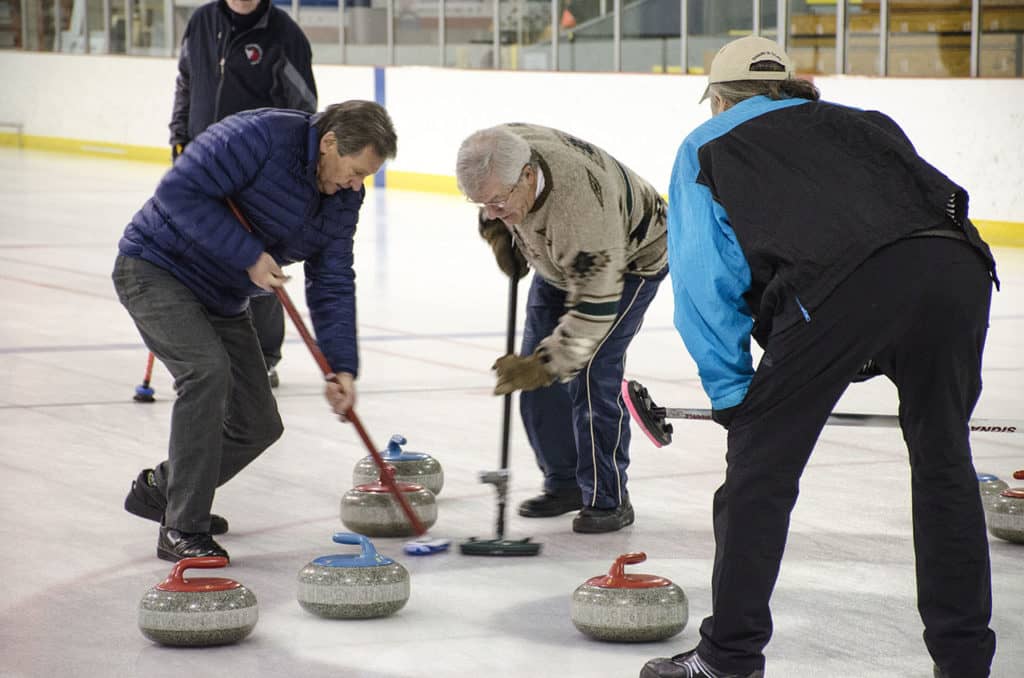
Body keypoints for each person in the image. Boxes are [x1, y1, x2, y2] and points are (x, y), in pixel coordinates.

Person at [641, 36, 998, 678]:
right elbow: (898, 222)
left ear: (718, 99)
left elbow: (704, 280)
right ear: (790, 88)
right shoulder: (861, 123)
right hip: (957, 268)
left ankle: (728, 657)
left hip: (842, 286)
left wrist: (732, 398)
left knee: (760, 475)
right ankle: (966, 662)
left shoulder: (708, 144)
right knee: (945, 467)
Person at [115, 100, 397, 562]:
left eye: (365, 177)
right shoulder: (258, 137)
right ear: (328, 143)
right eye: (353, 171)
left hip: (222, 297)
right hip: (156, 269)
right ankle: (183, 527)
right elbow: (178, 191)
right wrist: (247, 253)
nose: (355, 184)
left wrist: (341, 367)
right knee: (206, 373)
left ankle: (162, 490)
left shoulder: (344, 196)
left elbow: (332, 280)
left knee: (258, 423)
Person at [455, 124, 668, 534]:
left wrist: (547, 364)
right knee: (536, 383)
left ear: (529, 175)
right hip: (558, 261)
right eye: (483, 204)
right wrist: (499, 231)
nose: (492, 208)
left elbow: (594, 307)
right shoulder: (501, 151)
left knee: (589, 373)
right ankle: (567, 482)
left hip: (630, 261)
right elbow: (492, 200)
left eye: (499, 202)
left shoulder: (580, 211)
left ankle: (607, 497)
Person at [170, 0, 319, 387]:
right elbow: (186, 81)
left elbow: (303, 106)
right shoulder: (202, 21)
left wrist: (285, 165)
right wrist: (179, 137)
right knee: (200, 257)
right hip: (202, 162)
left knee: (258, 259)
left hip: (256, 170)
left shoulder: (284, 33)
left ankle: (264, 356)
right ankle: (205, 353)